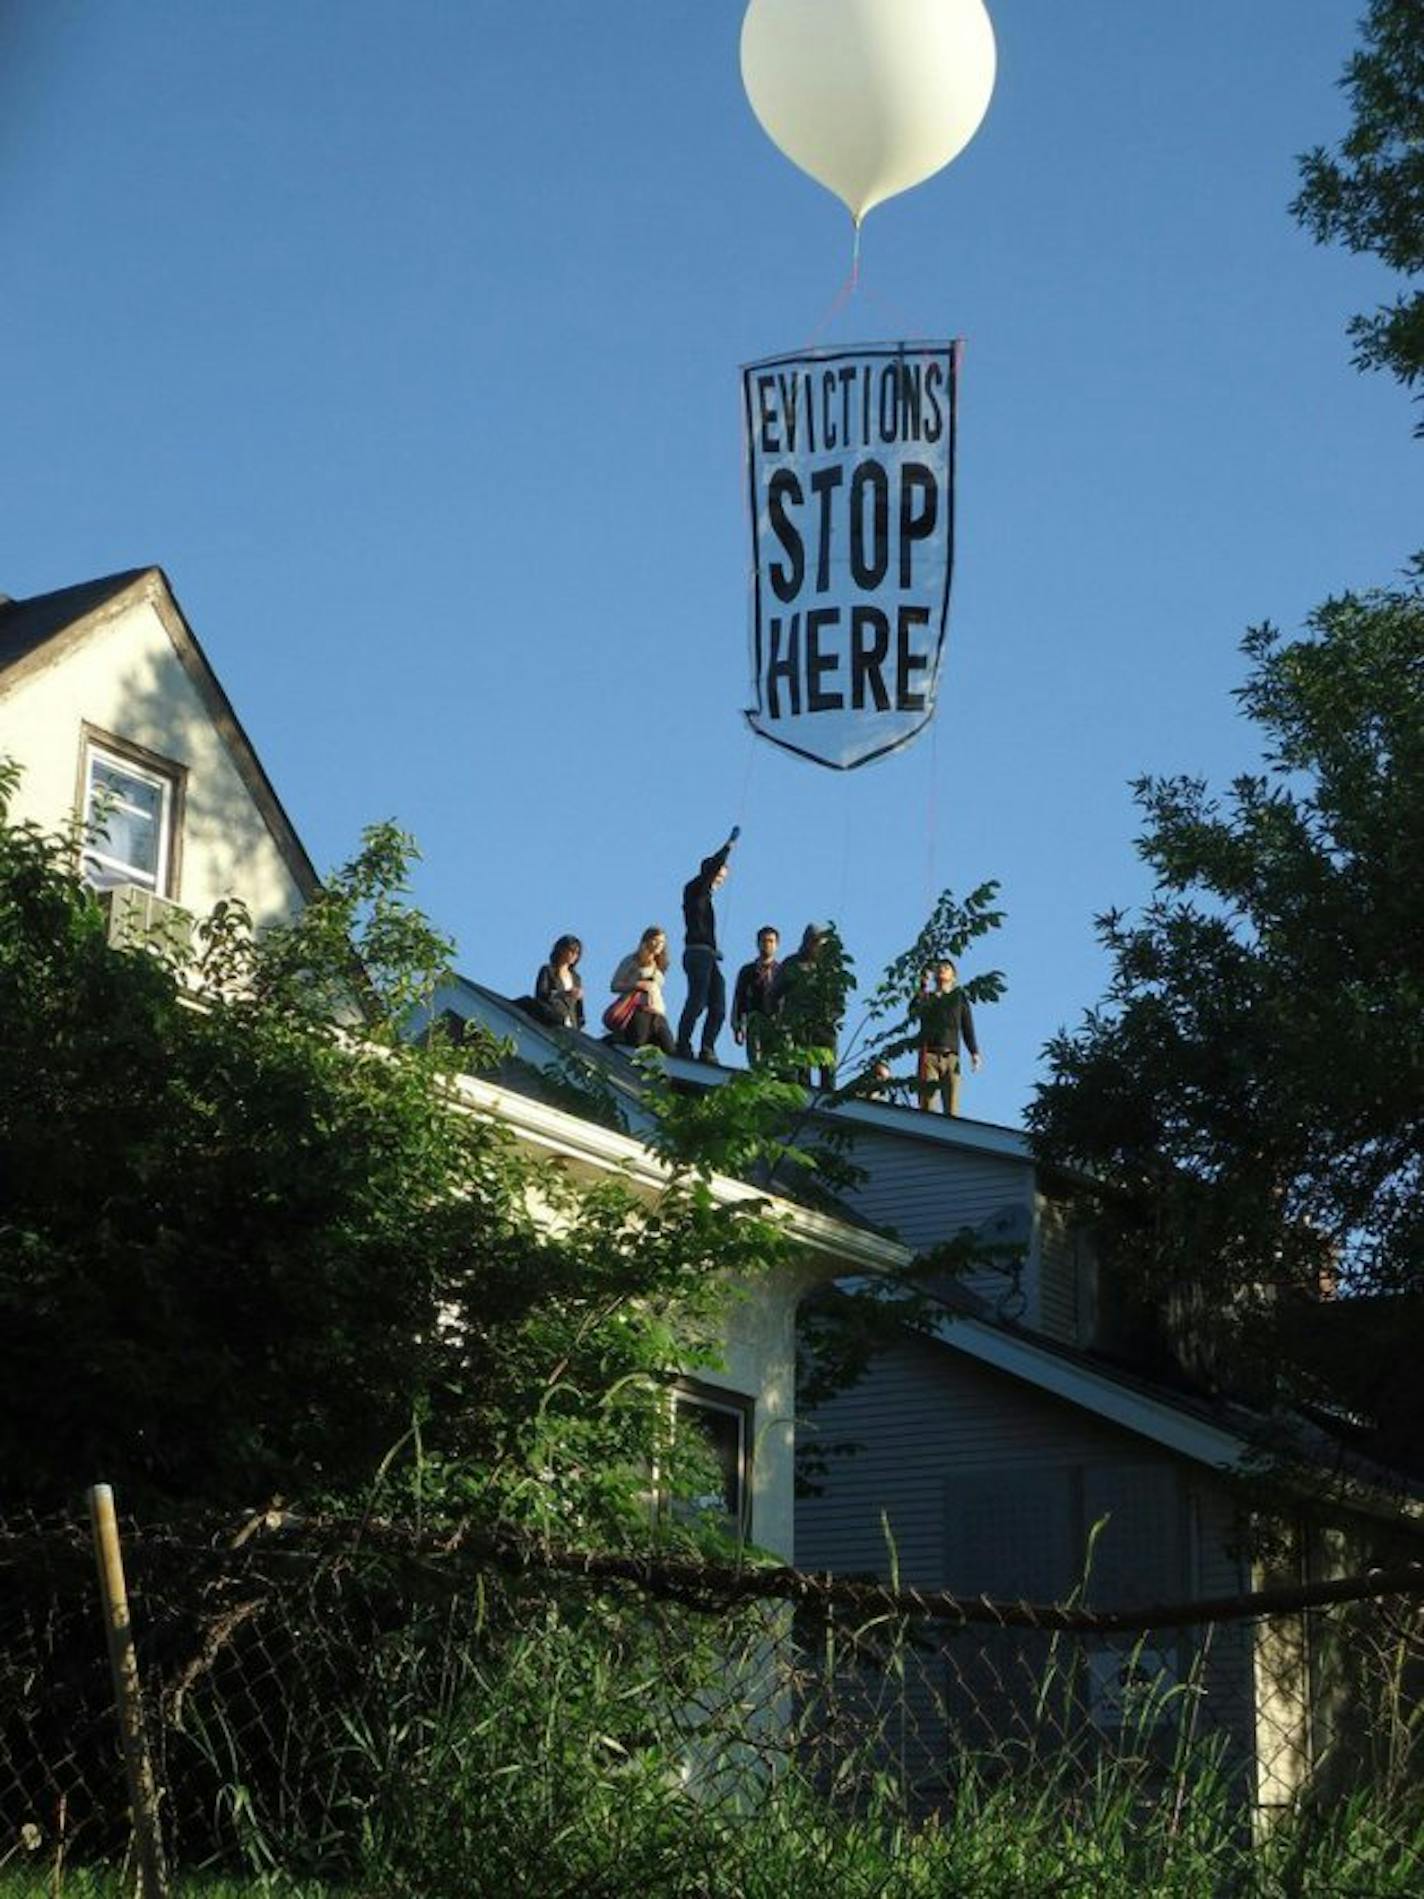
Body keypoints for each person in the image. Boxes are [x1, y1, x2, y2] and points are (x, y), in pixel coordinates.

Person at [675, 825, 739, 1063]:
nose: (720, 881)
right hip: (697, 955)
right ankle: (682, 1043)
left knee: (718, 1005)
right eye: (719, 876)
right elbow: (712, 868)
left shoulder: (705, 898)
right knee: (697, 1000)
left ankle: (707, 1048)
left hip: (707, 955)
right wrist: (729, 845)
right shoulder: (694, 890)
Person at [770, 922, 839, 1090]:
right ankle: (804, 1092)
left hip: (823, 1024)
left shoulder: (829, 968)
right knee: (802, 1065)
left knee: (828, 1061)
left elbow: (838, 997)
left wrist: (832, 1016)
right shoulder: (792, 964)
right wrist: (777, 1018)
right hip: (798, 1024)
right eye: (814, 942)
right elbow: (774, 994)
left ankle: (828, 1095)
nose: (817, 946)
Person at [911, 959, 982, 1116]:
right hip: (929, 1055)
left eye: (946, 968)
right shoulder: (928, 998)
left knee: (952, 1108)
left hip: (951, 1057)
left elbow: (967, 1026)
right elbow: (913, 1011)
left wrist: (974, 1052)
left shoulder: (958, 998)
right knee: (927, 1105)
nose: (942, 970)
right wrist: (922, 985)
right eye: (939, 968)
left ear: (954, 976)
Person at [609, 926, 676, 1056]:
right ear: (647, 940)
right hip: (639, 1012)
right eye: (655, 940)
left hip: (657, 1013)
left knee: (670, 1050)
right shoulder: (632, 960)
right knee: (637, 1049)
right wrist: (637, 984)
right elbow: (615, 985)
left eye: (662, 942)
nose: (659, 945)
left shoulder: (659, 964)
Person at [731, 925, 780, 1067]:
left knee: (776, 1064)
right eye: (764, 941)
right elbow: (738, 999)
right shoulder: (747, 971)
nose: (767, 945)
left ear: (776, 945)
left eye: (771, 941)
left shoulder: (781, 971)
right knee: (757, 1062)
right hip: (755, 1020)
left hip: (776, 1023)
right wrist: (737, 1026)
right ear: (758, 943)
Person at [528, 934, 585, 1032]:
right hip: (551, 1021)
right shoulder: (548, 970)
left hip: (571, 1026)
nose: (574, 955)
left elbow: (579, 1009)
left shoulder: (576, 978)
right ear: (561, 950)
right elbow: (541, 995)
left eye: (577, 953)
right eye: (571, 951)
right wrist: (564, 993)